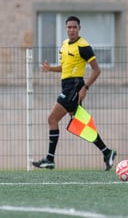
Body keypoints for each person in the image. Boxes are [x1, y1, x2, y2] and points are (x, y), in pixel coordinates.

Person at [32, 16, 117, 171]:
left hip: (74, 87)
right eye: (69, 27)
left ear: (79, 28)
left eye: (74, 27)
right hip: (66, 86)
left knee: (52, 118)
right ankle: (107, 152)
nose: (71, 30)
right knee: (80, 124)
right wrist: (51, 68)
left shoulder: (83, 46)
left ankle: (50, 159)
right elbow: (64, 67)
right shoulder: (64, 45)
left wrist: (85, 88)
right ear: (66, 29)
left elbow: (96, 70)